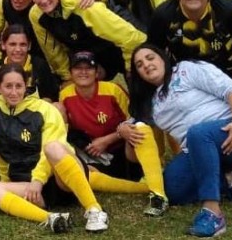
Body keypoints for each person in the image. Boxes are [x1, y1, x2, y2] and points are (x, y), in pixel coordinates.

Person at [129, 44, 232, 237]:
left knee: (197, 133)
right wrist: (122, 129)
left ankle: (213, 213)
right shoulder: (151, 103)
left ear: (163, 57)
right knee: (172, 189)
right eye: (139, 64)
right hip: (198, 150)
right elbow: (133, 124)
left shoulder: (186, 69)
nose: (146, 65)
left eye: (150, 57)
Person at [0, 64, 109, 233]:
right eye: (8, 86)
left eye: (18, 86)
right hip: (34, 188)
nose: (14, 92)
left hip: (61, 179)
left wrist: (37, 181)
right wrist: (9, 183)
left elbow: (55, 147)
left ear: (26, 84)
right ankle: (51, 218)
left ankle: (95, 210)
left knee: (53, 147)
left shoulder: (45, 109)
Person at [59, 51, 168, 216]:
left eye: (88, 68)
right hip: (94, 156)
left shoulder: (112, 90)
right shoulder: (65, 95)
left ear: (97, 73)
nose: (83, 72)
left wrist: (109, 138)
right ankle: (141, 188)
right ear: (71, 73)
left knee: (140, 128)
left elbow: (135, 119)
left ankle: (158, 193)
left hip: (123, 151)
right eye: (78, 68)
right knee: (82, 175)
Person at [29, 0, 146, 83]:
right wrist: (68, 78)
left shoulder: (85, 7)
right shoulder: (36, 14)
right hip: (96, 50)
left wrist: (130, 70)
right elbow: (53, 51)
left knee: (138, 86)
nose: (43, 0)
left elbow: (131, 39)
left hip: (128, 40)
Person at [0, 24, 59, 102]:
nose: (18, 49)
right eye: (12, 44)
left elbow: (48, 96)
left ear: (29, 45)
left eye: (23, 44)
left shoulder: (39, 65)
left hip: (35, 110)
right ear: (3, 45)